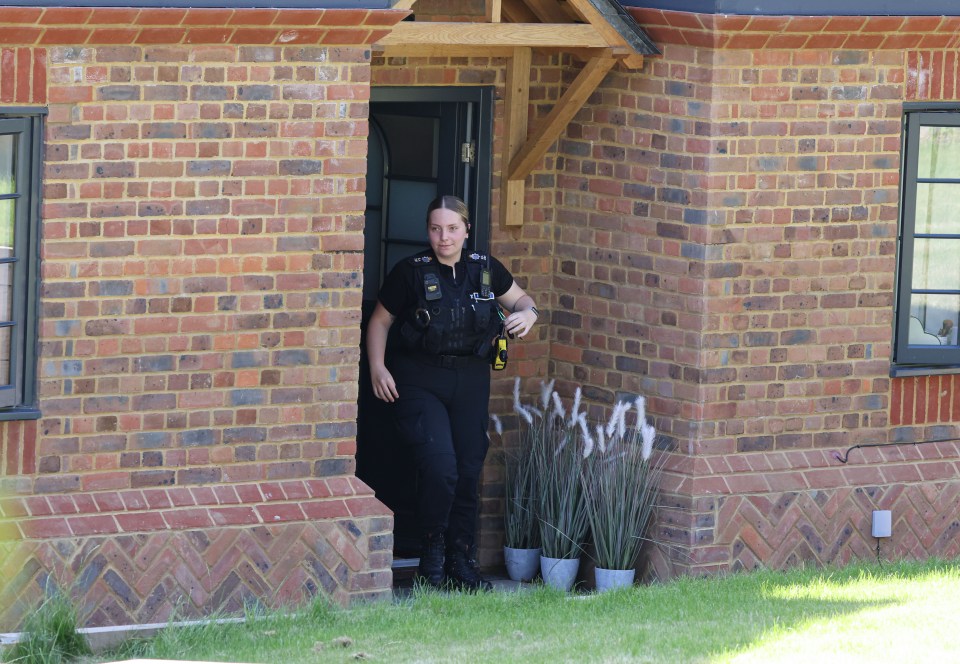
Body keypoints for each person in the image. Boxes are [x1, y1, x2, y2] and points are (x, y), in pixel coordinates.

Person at [366, 195, 539, 591]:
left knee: (466, 468)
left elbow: (523, 300)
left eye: (452, 229)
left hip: (471, 379)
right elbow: (379, 322)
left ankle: (462, 561)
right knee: (440, 466)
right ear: (428, 230)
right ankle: (432, 558)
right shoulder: (411, 272)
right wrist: (378, 367)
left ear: (466, 230)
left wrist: (528, 313)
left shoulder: (484, 269)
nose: (443, 237)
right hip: (419, 378)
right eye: (435, 229)